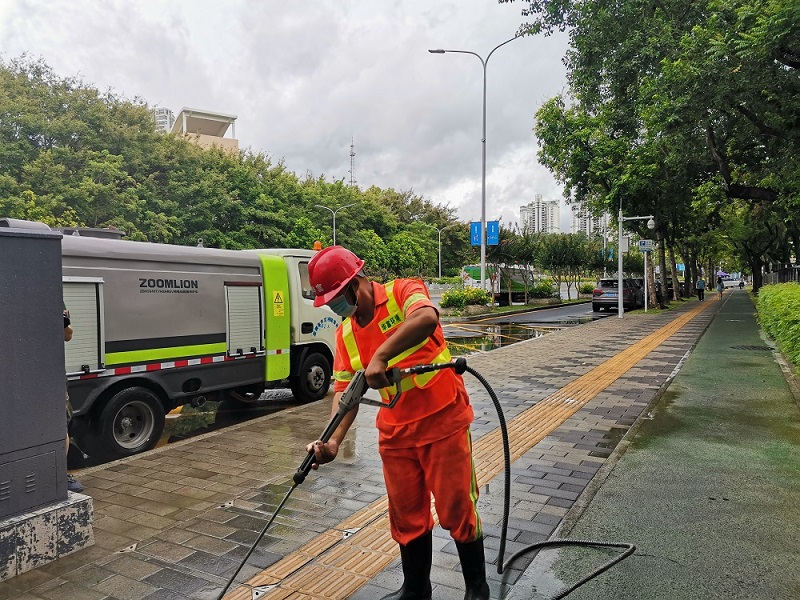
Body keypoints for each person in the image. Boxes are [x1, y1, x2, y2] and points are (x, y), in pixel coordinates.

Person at [306, 246, 489, 600]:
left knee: (457, 507)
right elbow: (346, 393)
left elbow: (426, 318)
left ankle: (476, 588)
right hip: (396, 433)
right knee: (406, 515)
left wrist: (381, 354)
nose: (334, 307)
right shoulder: (345, 334)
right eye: (327, 302)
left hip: (443, 420)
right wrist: (331, 441)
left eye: (335, 298)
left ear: (355, 283)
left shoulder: (403, 291)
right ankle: (417, 590)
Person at [64, 307, 84, 493]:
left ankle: (61, 474)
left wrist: (63, 323)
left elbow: (68, 335)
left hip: (53, 374)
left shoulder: (54, 296)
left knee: (61, 424)